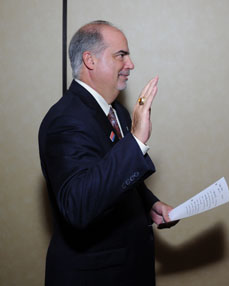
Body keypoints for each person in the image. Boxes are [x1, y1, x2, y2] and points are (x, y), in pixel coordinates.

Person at [38, 20, 177, 285]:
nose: (131, 64)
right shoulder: (66, 120)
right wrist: (136, 140)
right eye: (121, 55)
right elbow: (78, 205)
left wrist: (149, 205)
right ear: (89, 60)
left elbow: (111, 173)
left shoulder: (117, 112)